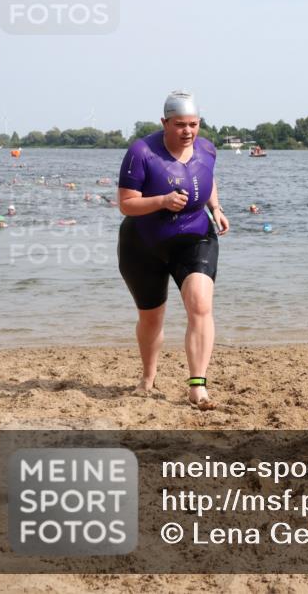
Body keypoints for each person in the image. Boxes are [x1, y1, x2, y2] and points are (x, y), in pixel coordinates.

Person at [117, 91, 230, 408]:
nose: (188, 131)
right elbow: (126, 203)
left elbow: (207, 179)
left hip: (195, 236)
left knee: (200, 305)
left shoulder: (207, 149)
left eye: (194, 124)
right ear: (164, 122)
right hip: (144, 243)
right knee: (151, 319)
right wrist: (163, 202)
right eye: (180, 124)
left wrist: (216, 207)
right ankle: (148, 377)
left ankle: (198, 386)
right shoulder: (141, 153)